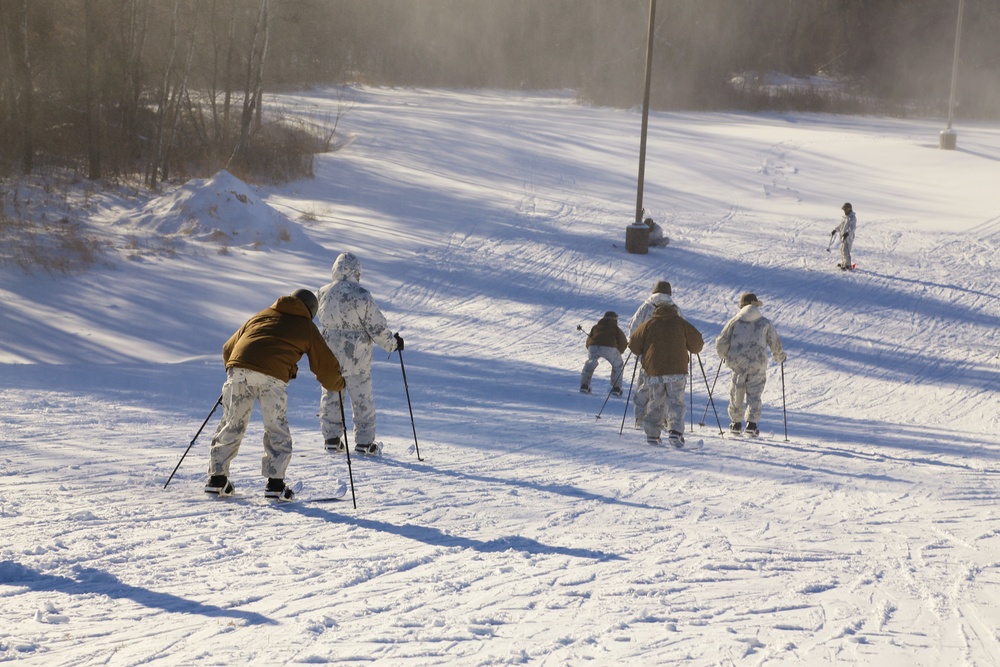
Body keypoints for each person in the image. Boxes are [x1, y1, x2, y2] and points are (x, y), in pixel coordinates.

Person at [205, 289, 345, 501]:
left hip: (238, 371)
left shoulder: (261, 315)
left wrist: (236, 374)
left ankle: (217, 479)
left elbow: (228, 348)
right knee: (275, 426)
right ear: (311, 310)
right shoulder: (306, 326)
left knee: (232, 422)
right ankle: (275, 485)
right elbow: (324, 365)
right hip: (271, 377)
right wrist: (337, 384)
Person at [317, 252, 402, 456]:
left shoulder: (322, 293)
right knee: (361, 398)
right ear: (356, 271)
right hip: (357, 356)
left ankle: (331, 438)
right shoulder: (362, 295)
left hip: (330, 355)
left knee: (331, 393)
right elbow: (376, 327)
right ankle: (364, 442)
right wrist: (393, 344)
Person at [627, 300, 704, 447]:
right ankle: (675, 432)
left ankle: (652, 434)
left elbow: (633, 345)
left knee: (656, 401)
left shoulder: (649, 324)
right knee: (676, 401)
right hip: (677, 371)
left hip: (654, 371)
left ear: (656, 310)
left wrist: (645, 351)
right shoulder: (681, 323)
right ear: (674, 310)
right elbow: (697, 345)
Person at [715, 292, 786, 437]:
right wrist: (780, 357)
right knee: (755, 393)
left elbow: (721, 342)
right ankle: (751, 424)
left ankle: (735, 423)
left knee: (736, 391)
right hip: (757, 364)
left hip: (738, 364)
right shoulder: (765, 322)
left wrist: (724, 355)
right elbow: (775, 343)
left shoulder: (734, 321)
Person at [627, 280, 680, 428]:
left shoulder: (645, 307)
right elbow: (682, 329)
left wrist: (639, 350)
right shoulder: (675, 309)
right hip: (670, 357)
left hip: (648, 355)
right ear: (669, 293)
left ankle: (640, 418)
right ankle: (662, 419)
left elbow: (634, 328)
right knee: (665, 388)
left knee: (644, 386)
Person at [580, 311, 628, 395]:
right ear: (614, 319)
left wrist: (591, 350)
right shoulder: (615, 328)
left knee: (590, 363)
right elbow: (623, 342)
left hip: (593, 346)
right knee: (618, 364)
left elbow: (589, 341)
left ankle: (584, 385)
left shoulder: (596, 327)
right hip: (609, 347)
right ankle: (616, 388)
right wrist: (619, 351)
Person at [833, 202, 857, 270]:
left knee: (846, 250)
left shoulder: (852, 218)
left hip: (848, 237)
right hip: (844, 237)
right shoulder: (845, 217)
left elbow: (852, 228)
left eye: (845, 209)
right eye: (844, 209)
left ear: (849, 209)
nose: (844, 211)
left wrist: (847, 233)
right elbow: (841, 226)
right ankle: (844, 263)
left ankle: (848, 265)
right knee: (842, 250)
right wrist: (835, 230)